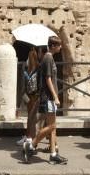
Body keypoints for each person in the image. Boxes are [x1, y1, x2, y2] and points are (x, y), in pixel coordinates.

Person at [22, 36, 66, 165]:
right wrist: (55, 96)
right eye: (58, 45)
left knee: (53, 128)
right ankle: (31, 145)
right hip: (48, 97)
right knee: (52, 126)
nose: (60, 47)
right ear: (52, 46)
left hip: (49, 97)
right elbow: (48, 79)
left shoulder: (49, 58)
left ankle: (53, 154)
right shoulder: (48, 58)